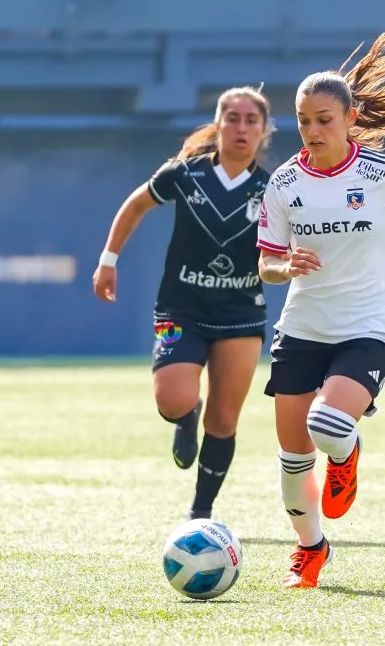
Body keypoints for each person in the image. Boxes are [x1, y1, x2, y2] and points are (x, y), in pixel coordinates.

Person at [256, 22, 385, 589]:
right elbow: (266, 264)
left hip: (367, 327)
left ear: (349, 120)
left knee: (326, 424)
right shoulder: (283, 184)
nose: (313, 130)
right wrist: (283, 267)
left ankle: (346, 456)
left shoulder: (381, 173)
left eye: (324, 120)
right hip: (302, 327)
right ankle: (310, 550)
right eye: (303, 120)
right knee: (292, 457)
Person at [92, 86, 273, 521]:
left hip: (240, 315)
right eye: (233, 118)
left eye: (252, 120)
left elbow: (285, 247)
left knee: (224, 421)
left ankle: (200, 513)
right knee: (173, 400)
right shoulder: (184, 174)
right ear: (218, 124)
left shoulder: (274, 189)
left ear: (264, 131)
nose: (242, 127)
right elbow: (136, 205)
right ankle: (186, 415)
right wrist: (108, 260)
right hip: (181, 308)